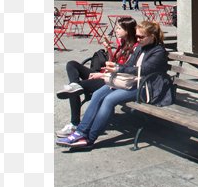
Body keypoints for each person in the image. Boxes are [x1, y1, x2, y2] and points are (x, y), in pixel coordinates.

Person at [56, 21, 173, 149]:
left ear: (152, 36)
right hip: (131, 82)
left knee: (109, 99)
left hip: (147, 87)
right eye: (137, 36)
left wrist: (118, 68)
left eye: (141, 37)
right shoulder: (140, 47)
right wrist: (113, 69)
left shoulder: (158, 51)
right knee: (97, 94)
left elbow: (144, 70)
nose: (138, 39)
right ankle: (80, 132)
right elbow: (129, 65)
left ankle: (89, 139)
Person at [55, 16, 139, 137]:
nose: (116, 30)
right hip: (106, 74)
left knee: (73, 90)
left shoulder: (134, 47)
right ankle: (75, 85)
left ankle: (74, 124)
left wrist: (102, 74)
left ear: (128, 30)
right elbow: (112, 61)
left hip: (112, 80)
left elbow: (123, 71)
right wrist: (108, 49)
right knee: (72, 65)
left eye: (119, 28)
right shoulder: (122, 43)